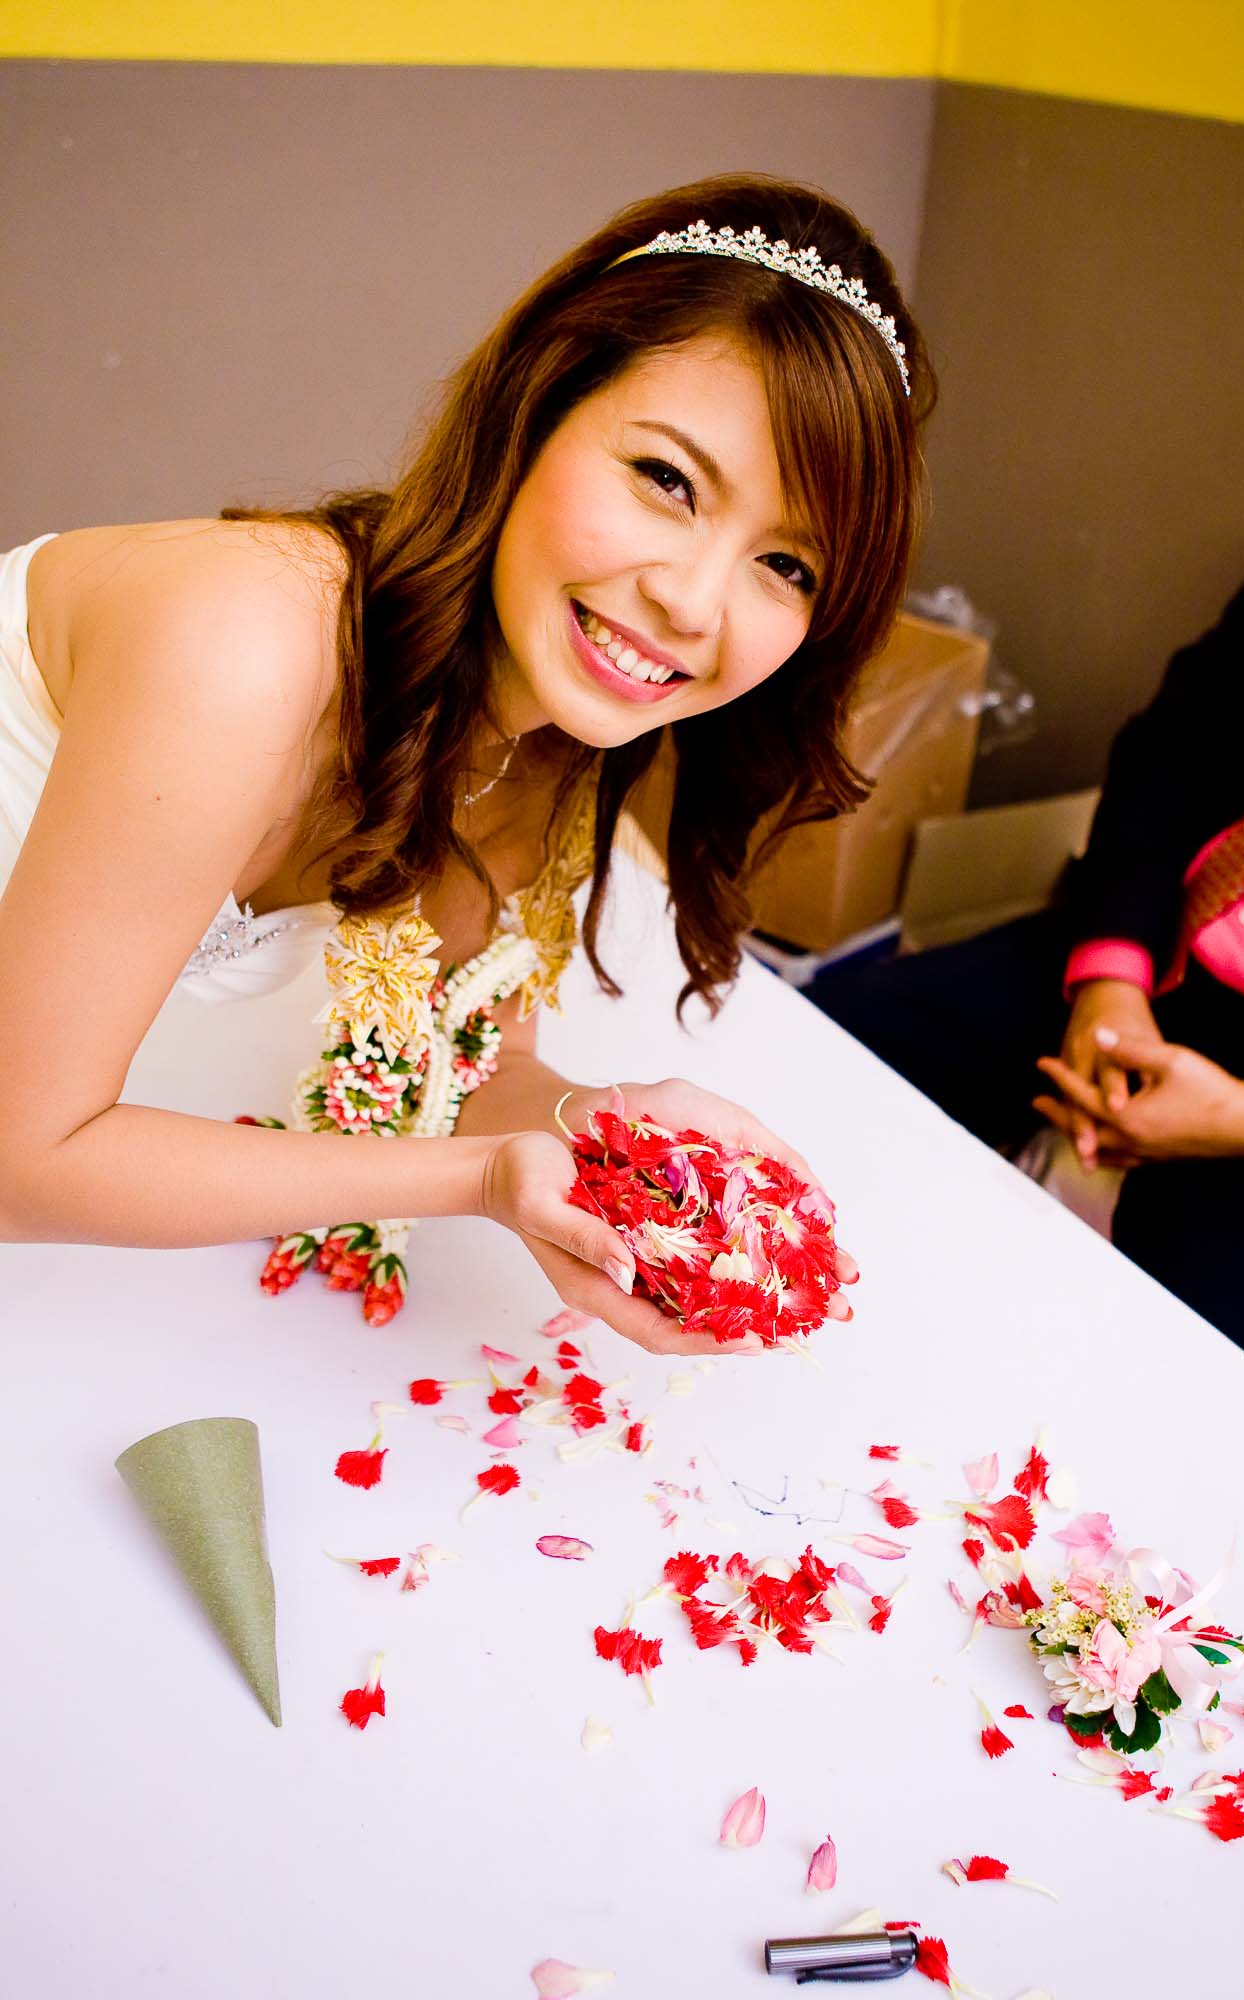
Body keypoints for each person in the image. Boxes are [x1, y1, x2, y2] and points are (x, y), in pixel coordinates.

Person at [0, 173, 934, 1351]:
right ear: (534, 405)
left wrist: (612, 1137)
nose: (695, 604)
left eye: (787, 565)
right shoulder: (241, 645)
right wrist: (481, 1181)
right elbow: (21, 1163)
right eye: (666, 480)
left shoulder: (550, 728)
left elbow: (471, 1054)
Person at [811, 485, 1244, 1405]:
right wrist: (1112, 977)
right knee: (826, 1051)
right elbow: (1172, 752)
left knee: (1171, 1380)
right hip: (1158, 943)